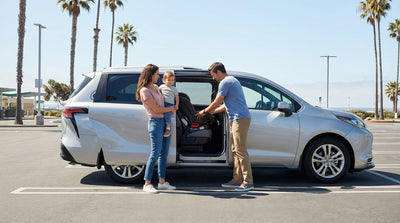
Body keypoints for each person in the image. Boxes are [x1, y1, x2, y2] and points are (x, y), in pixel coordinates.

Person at [196, 62, 254, 192]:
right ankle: (237, 180)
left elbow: (217, 101)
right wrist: (212, 111)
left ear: (219, 72)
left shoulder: (225, 82)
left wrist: (204, 112)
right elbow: (226, 105)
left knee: (241, 151)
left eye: (213, 75)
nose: (213, 78)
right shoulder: (231, 81)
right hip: (236, 118)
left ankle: (248, 182)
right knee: (235, 150)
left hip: (240, 119)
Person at [135, 64, 177, 193]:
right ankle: (147, 183)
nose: (158, 76)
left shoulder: (157, 88)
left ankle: (162, 182)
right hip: (156, 123)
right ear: (150, 75)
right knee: (155, 153)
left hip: (164, 122)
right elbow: (157, 109)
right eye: (157, 74)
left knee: (164, 154)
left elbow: (165, 101)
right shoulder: (145, 91)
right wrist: (171, 108)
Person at [159, 71, 179, 137]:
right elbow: (156, 92)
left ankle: (168, 127)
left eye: (172, 80)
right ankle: (166, 127)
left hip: (170, 104)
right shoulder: (162, 87)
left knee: (167, 114)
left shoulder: (174, 88)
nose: (171, 82)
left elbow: (177, 97)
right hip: (163, 104)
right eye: (169, 80)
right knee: (165, 114)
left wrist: (176, 105)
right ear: (164, 80)